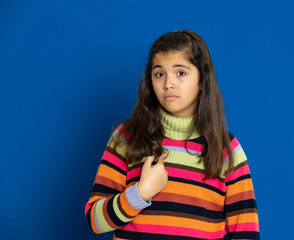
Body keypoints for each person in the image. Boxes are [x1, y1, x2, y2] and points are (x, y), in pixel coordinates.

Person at [85, 30, 260, 240]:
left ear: (202, 80)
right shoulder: (126, 137)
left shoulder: (227, 149)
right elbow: (95, 221)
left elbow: (246, 233)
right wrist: (140, 193)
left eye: (181, 73)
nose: (168, 83)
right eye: (159, 73)